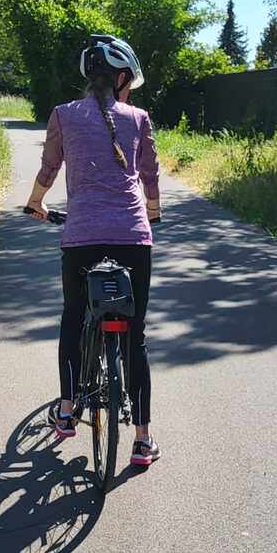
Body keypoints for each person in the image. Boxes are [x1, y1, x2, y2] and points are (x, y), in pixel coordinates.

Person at [26, 33, 161, 468]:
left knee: (73, 318)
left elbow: (49, 167)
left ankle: (67, 412)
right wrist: (152, 213)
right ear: (121, 78)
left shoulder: (64, 115)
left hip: (82, 237)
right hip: (133, 238)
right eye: (129, 83)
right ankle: (142, 440)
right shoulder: (139, 118)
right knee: (135, 336)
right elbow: (150, 175)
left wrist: (36, 203)